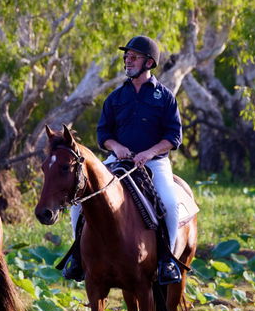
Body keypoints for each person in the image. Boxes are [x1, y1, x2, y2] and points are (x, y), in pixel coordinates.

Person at [60, 35, 184, 285]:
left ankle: (166, 260)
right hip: (118, 161)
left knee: (170, 203)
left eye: (134, 57)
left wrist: (149, 153)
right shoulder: (115, 98)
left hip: (153, 163)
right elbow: (103, 134)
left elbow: (174, 135)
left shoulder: (165, 97)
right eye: (126, 56)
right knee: (79, 202)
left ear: (149, 62)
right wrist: (118, 147)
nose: (128, 61)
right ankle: (77, 256)